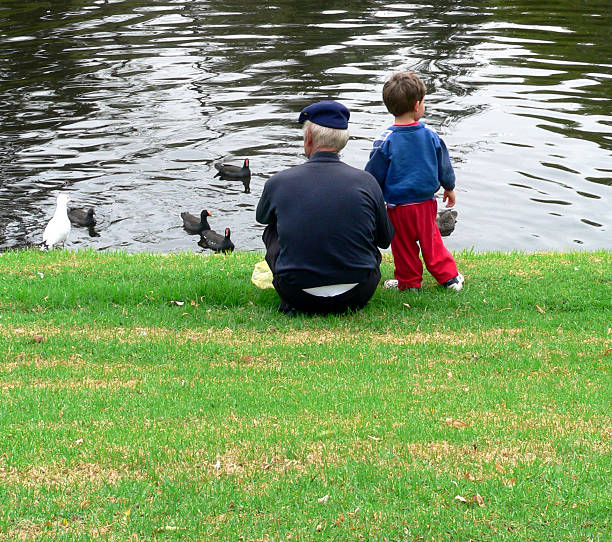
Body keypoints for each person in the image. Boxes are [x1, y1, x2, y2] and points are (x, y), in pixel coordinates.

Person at [256, 100, 394, 315]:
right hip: (358, 292)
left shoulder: (278, 182)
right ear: (344, 140)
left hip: (296, 293)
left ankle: (298, 276)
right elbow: (384, 239)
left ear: (308, 137)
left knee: (272, 227)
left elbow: (262, 218)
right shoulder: (367, 182)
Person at [365, 72, 464, 291]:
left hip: (396, 207)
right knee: (432, 242)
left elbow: (373, 175)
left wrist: (374, 199)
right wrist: (449, 187)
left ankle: (408, 283)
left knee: (402, 246)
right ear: (418, 105)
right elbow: (443, 164)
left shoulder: (384, 139)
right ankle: (450, 278)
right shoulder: (430, 134)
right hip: (424, 204)